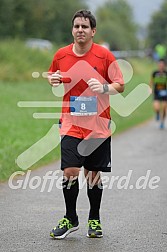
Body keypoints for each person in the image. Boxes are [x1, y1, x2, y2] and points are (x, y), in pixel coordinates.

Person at [48, 9, 124, 239]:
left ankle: (94, 218)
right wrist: (52, 79)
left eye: (84, 27)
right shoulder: (61, 55)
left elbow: (120, 85)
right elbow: (53, 76)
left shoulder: (104, 56)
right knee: (70, 171)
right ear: (72, 30)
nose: (80, 30)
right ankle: (71, 217)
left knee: (92, 175)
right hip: (71, 122)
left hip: (97, 125)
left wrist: (103, 87)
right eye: (76, 26)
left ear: (93, 31)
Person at [150, 59, 167, 129]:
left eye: (162, 65)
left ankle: (162, 122)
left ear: (164, 65)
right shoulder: (155, 73)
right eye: (160, 65)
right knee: (156, 107)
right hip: (156, 92)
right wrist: (150, 88)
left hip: (165, 93)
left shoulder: (166, 73)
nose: (161, 66)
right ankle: (157, 113)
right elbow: (151, 81)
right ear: (158, 65)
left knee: (164, 109)